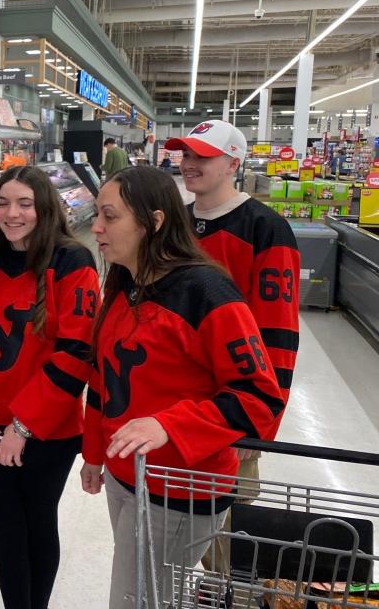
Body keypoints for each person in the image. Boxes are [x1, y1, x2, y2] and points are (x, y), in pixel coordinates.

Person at [81, 166, 283, 609]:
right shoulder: (124, 284)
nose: (96, 227)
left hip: (179, 487)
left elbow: (260, 398)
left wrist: (170, 424)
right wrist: (94, 453)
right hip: (127, 475)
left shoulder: (206, 293)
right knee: (144, 592)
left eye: (109, 216)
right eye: (97, 214)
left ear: (153, 222)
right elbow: (104, 379)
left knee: (137, 601)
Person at [0, 166, 100, 609]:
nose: (11, 214)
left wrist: (23, 425)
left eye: (25, 204)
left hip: (48, 430)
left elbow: (76, 352)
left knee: (37, 522)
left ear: (45, 208)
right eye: (3, 203)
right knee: (6, 528)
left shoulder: (71, 262)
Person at [165, 119, 300, 572]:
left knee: (229, 537)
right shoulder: (176, 225)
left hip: (233, 409)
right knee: (173, 538)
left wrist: (262, 421)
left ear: (233, 162)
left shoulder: (266, 228)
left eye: (203, 155)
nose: (189, 164)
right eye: (186, 154)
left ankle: (232, 596)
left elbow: (278, 334)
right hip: (174, 407)